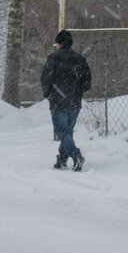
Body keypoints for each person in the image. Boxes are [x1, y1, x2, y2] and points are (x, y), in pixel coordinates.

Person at [40, 29, 92, 171]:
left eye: (56, 43)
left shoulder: (53, 58)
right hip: (75, 102)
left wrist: (49, 95)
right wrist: (78, 92)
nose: (55, 46)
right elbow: (88, 82)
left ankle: (76, 156)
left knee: (62, 132)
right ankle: (62, 159)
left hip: (58, 102)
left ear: (60, 44)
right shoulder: (80, 59)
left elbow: (45, 79)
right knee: (67, 132)